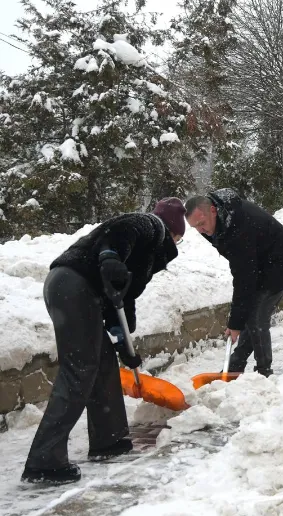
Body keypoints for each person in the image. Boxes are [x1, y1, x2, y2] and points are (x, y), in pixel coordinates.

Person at [22, 199, 187, 485]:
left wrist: (124, 342)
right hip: (74, 285)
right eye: (178, 238)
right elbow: (119, 233)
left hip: (73, 287)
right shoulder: (151, 225)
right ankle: (44, 462)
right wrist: (110, 255)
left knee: (104, 362)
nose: (175, 243)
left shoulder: (145, 252)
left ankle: (108, 440)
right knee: (80, 368)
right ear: (174, 232)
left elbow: (121, 298)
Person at [185, 189, 283, 377]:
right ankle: (236, 364)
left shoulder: (238, 226)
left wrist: (235, 323)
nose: (201, 230)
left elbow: (243, 278)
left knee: (256, 317)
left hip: (281, 263)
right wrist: (237, 320)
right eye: (196, 227)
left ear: (213, 210)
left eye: (202, 224)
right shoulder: (220, 221)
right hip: (260, 264)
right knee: (250, 314)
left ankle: (263, 371)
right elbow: (244, 272)